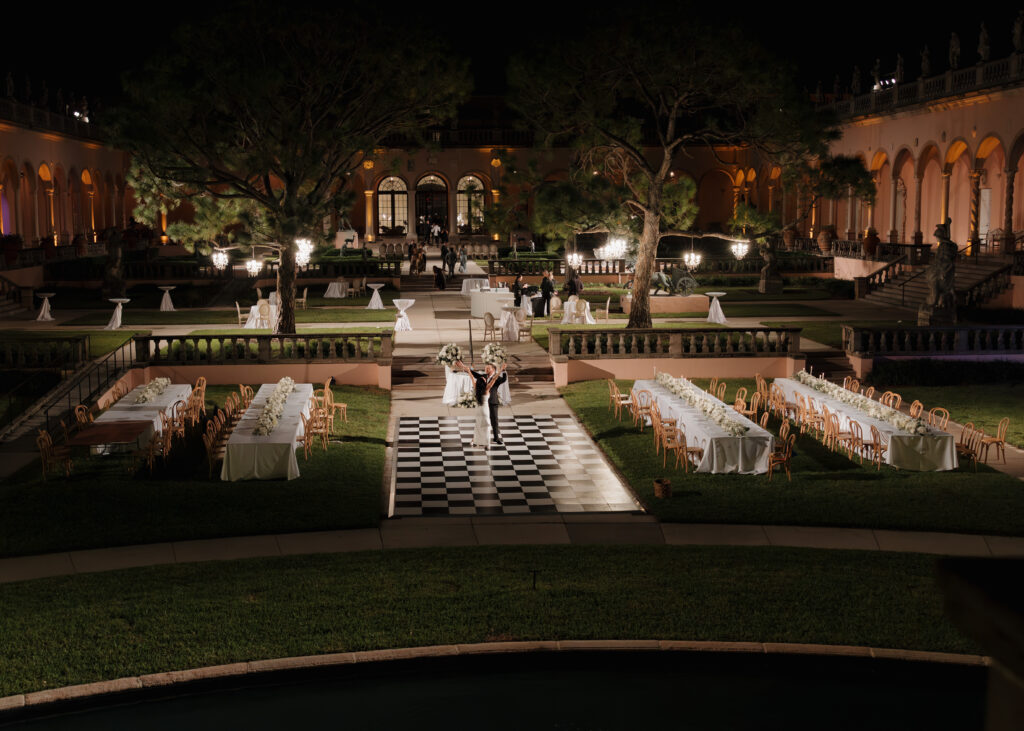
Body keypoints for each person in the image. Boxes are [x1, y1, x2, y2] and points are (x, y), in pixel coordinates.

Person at [458, 360, 507, 447]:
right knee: (483, 423)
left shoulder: (497, 378)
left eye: (488, 368)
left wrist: (503, 371)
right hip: (483, 404)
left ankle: (495, 438)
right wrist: (464, 367)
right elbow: (473, 374)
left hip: (492, 402)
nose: (486, 370)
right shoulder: (483, 378)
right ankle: (482, 441)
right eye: (485, 368)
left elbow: (503, 379)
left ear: (493, 369)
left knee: (493, 420)